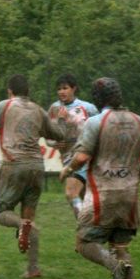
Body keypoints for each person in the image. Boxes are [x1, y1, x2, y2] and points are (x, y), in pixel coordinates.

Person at [59, 77, 140, 279]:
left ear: (98, 98)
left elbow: (81, 157)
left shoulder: (96, 122)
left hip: (103, 196)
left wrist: (67, 169)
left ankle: (114, 267)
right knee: (121, 247)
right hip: (129, 195)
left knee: (83, 243)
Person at [0, 74, 65, 279]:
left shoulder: (5, 105)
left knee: (3, 212)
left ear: (9, 91)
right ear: (28, 92)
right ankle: (33, 268)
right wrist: (60, 120)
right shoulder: (38, 110)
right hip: (37, 166)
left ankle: (20, 225)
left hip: (14, 164)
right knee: (29, 215)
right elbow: (57, 134)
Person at [48, 73, 99, 218]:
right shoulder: (54, 109)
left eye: (65, 88)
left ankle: (84, 225)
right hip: (67, 158)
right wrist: (54, 142)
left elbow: (100, 127)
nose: (62, 92)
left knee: (71, 193)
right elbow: (48, 135)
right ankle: (91, 227)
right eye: (59, 89)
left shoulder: (87, 108)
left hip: (84, 157)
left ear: (74, 89)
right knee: (84, 198)